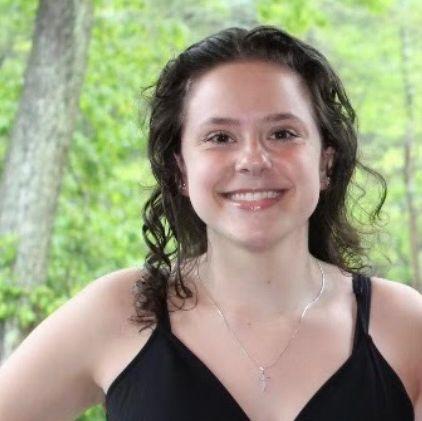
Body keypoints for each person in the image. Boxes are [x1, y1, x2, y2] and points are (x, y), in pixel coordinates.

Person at [0, 25, 420, 421]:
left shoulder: (403, 325)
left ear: (325, 162)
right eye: (220, 137)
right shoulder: (119, 313)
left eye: (282, 133)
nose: (252, 160)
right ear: (181, 169)